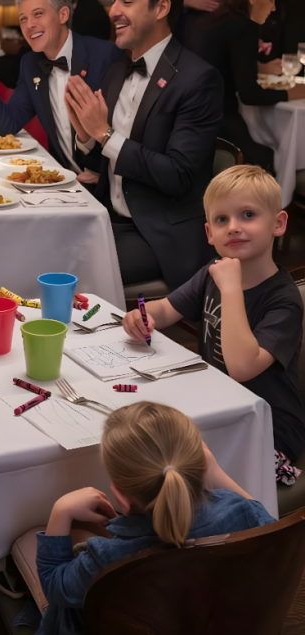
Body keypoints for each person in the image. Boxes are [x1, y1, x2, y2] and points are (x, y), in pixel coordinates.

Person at [122, 166, 305, 476]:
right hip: (217, 407)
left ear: (278, 223)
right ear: (209, 233)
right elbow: (167, 309)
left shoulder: (283, 300)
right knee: (140, 447)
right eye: (222, 219)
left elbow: (242, 368)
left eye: (248, 215)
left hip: (268, 430)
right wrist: (140, 316)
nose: (233, 227)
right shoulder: (214, 270)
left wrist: (231, 288)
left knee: (167, 472)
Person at [36, 402, 275, 635]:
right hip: (213, 620)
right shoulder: (240, 514)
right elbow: (272, 528)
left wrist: (61, 510)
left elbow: (55, 586)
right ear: (200, 465)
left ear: (121, 497)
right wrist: (216, 473)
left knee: (33, 538)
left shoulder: (109, 559)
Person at [65, 0, 223, 288]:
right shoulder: (117, 70)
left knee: (67, 273)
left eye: (127, 1)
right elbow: (103, 162)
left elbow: (178, 175)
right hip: (109, 218)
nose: (113, 12)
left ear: (161, 7)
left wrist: (103, 135)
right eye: (113, 1)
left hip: (158, 233)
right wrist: (84, 137)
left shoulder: (197, 80)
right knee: (41, 245)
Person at [0, 0, 122, 173]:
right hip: (62, 180)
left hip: (107, 184)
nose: (29, 25)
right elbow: (7, 125)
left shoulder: (105, 56)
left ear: (63, 14)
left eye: (38, 14)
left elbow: (128, 130)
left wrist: (105, 178)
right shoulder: (31, 63)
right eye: (23, 18)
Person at [197, 0, 305, 172]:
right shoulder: (244, 28)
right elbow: (249, 94)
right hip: (217, 120)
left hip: (197, 115)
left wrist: (259, 66)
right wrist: (292, 93)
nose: (273, 8)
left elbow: (223, 64)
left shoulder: (219, 18)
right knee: (272, 154)